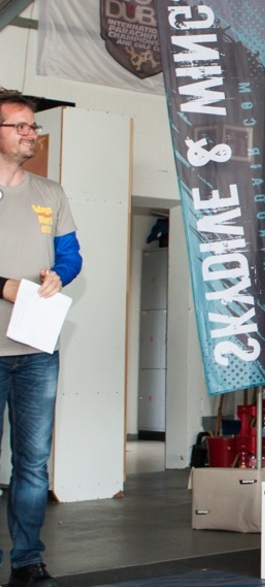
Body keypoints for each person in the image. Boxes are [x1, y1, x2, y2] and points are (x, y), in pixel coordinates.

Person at [0, 89, 82, 587]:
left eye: (33, 126)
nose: (31, 133)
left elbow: (71, 256)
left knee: (32, 465)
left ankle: (27, 563)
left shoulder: (50, 193)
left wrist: (59, 275)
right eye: (21, 126)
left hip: (37, 352)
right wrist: (2, 285)